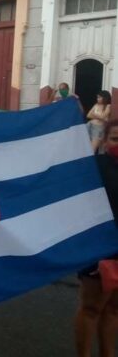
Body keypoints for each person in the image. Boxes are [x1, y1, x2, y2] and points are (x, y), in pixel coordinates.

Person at [75, 119, 118, 357]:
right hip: (99, 249)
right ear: (103, 142)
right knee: (92, 307)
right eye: (115, 139)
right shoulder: (97, 166)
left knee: (114, 309)